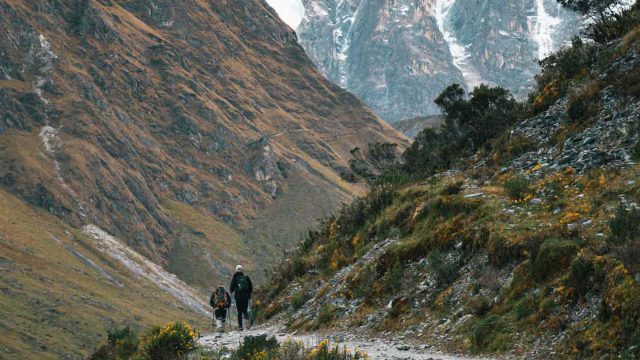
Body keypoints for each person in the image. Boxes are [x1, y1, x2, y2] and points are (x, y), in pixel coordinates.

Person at [230, 264, 253, 331]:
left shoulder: (235, 278)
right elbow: (251, 286)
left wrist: (233, 291)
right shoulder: (246, 277)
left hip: (238, 297)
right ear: (242, 269)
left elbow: (231, 288)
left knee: (239, 312)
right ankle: (247, 325)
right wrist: (249, 294)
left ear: (236, 270)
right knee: (245, 310)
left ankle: (240, 327)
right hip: (245, 297)